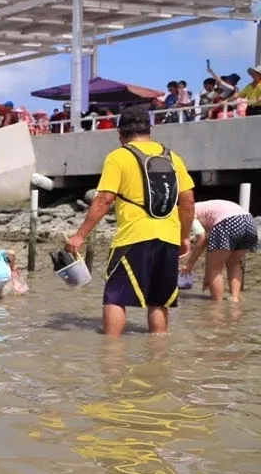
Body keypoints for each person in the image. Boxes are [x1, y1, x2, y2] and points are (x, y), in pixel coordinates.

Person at [65, 107, 195, 336]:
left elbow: (104, 199)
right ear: (150, 129)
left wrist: (80, 235)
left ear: (119, 132)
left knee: (115, 296)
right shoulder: (173, 157)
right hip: (168, 238)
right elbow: (188, 202)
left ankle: (111, 355)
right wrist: (184, 236)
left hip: (134, 237)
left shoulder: (119, 156)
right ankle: (158, 354)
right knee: (159, 300)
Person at [180, 199, 256, 302]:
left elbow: (201, 239)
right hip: (249, 222)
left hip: (227, 222)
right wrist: (207, 276)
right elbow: (210, 247)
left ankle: (217, 306)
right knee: (234, 264)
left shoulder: (186, 213)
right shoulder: (202, 208)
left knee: (215, 268)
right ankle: (235, 299)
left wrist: (189, 265)